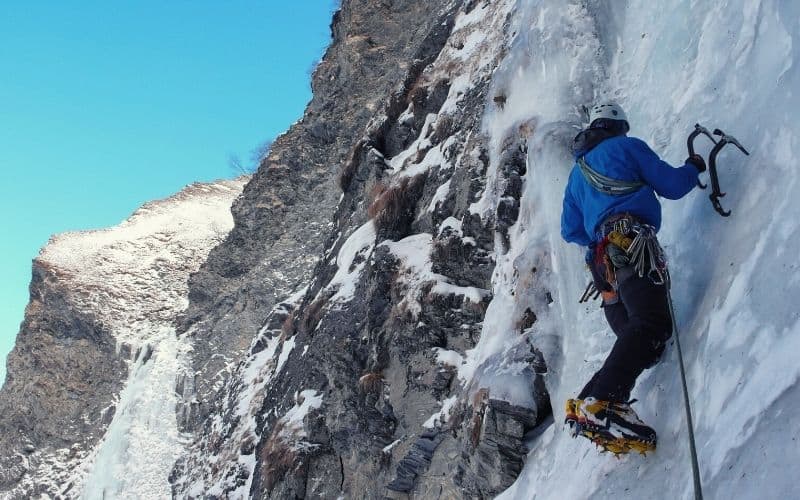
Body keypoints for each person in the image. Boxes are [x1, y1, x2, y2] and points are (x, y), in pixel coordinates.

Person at [560, 102, 706, 453]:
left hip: (602, 265)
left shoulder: (577, 174)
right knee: (653, 324)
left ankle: (587, 405)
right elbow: (671, 185)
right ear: (618, 125)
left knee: (640, 338)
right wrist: (694, 167)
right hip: (631, 244)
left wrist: (601, 234)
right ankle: (604, 400)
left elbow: (570, 230)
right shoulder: (626, 146)